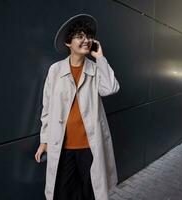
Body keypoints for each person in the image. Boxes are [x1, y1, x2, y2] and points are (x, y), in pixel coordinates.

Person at [35, 13, 120, 200]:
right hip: (63, 147)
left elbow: (111, 88)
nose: (86, 40)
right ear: (68, 42)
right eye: (80, 36)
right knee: (62, 194)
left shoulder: (96, 68)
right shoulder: (55, 70)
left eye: (88, 36)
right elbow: (47, 109)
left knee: (89, 194)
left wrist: (101, 57)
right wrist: (44, 141)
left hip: (90, 147)